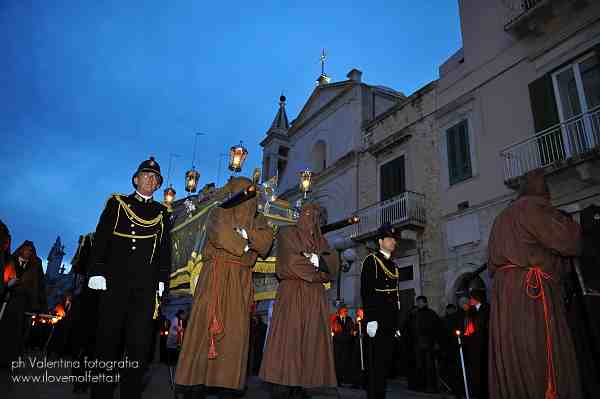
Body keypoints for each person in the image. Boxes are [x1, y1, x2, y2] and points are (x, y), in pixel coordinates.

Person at [487, 170, 583, 399]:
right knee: (537, 349)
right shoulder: (532, 208)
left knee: (512, 351)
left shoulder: (501, 217)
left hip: (505, 295)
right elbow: (569, 242)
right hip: (531, 292)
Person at [175, 176, 274, 399]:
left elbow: (266, 242)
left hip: (240, 281)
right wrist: (248, 244)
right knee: (204, 327)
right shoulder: (218, 212)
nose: (248, 203)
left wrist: (246, 235)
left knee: (235, 334)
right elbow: (221, 235)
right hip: (214, 277)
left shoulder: (259, 221)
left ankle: (227, 385)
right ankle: (194, 384)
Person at [87, 156, 172, 399]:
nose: (150, 179)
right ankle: (100, 394)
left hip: (144, 290)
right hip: (115, 284)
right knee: (107, 343)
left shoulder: (162, 213)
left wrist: (162, 281)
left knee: (138, 348)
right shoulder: (118, 204)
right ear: (135, 179)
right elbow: (101, 238)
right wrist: (97, 270)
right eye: (146, 175)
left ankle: (131, 394)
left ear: (157, 186)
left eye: (155, 178)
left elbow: (164, 250)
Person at [259, 203, 339, 398]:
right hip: (292, 294)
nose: (311, 218)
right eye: (308, 214)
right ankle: (283, 386)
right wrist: (319, 268)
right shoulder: (287, 234)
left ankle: (303, 386)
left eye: (316, 216)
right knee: (289, 342)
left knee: (310, 342)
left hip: (314, 297)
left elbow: (333, 265)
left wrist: (318, 262)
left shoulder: (322, 241)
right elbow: (291, 262)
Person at [360, 223, 402, 399]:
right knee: (375, 365)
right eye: (390, 239)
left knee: (385, 365)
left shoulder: (393, 265)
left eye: (394, 239)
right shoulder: (371, 261)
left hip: (389, 322)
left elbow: (396, 297)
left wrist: (396, 323)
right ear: (380, 241)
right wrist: (370, 319)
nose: (393, 242)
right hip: (376, 320)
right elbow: (367, 291)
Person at [0, 240, 47, 367]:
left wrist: (38, 305)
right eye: (26, 249)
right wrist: (7, 285)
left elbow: (38, 286)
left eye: (30, 251)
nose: (28, 252)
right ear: (21, 249)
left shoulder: (34, 268)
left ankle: (10, 360)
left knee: (17, 334)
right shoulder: (11, 262)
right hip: (7, 301)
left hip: (22, 304)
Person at [407, 296, 442, 393]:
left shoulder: (431, 314)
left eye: (420, 302)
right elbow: (411, 329)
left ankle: (430, 387)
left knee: (429, 366)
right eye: (417, 302)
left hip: (428, 344)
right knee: (419, 366)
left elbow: (436, 329)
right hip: (417, 344)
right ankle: (420, 386)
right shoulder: (415, 314)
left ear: (425, 303)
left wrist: (435, 342)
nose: (418, 304)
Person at [463, 289, 489, 399]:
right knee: (474, 370)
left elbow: (484, 324)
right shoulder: (471, 310)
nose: (470, 300)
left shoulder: (487, 308)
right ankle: (476, 392)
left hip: (484, 343)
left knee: (484, 370)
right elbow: (469, 327)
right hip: (473, 345)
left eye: (472, 298)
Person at [333, 305, 354, 386]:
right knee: (338, 363)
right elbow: (335, 331)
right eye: (344, 311)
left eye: (346, 311)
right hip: (338, 345)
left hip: (347, 344)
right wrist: (345, 334)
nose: (346, 312)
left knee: (346, 362)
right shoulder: (336, 319)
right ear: (340, 311)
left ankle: (346, 379)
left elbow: (351, 330)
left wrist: (348, 334)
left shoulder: (349, 319)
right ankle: (338, 380)